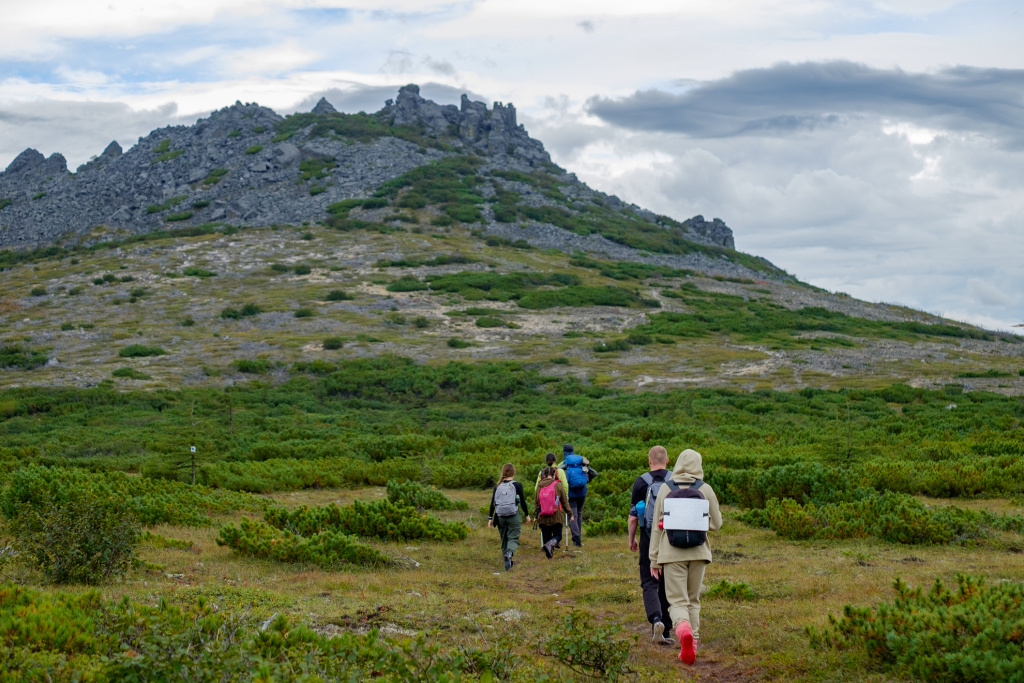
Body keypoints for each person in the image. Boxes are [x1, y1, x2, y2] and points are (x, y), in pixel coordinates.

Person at [648, 448, 722, 666]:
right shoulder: (705, 488)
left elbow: (657, 527)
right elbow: (717, 524)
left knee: (677, 601)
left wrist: (654, 559)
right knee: (693, 600)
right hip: (699, 553)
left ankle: (683, 631)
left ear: (678, 464)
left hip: (671, 553)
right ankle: (694, 643)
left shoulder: (666, 488)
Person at [628, 445, 674, 645]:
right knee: (667, 582)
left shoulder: (641, 482)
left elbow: (633, 517)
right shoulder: (674, 480)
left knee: (649, 581)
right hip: (671, 538)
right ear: (667, 461)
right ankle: (667, 629)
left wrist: (632, 539)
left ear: (649, 460)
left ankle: (656, 619)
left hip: (648, 537)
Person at [488, 463, 531, 570]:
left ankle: (507, 564)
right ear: (513, 473)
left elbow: (493, 502)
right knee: (513, 538)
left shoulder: (498, 486)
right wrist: (527, 515)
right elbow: (522, 502)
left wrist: (490, 518)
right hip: (513, 515)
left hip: (500, 516)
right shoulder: (517, 485)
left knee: (504, 539)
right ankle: (509, 553)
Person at [559, 444, 596, 547]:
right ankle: (578, 537)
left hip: (571, 493)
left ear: (564, 452)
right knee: (579, 514)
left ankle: (576, 538)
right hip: (582, 492)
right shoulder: (581, 462)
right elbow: (590, 475)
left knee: (572, 515)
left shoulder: (564, 464)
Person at [534, 466, 572, 557]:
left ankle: (549, 555)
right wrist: (570, 514)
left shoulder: (539, 486)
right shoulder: (558, 485)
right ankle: (551, 545)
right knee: (558, 536)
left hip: (543, 516)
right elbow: (564, 502)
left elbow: (536, 501)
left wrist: (535, 515)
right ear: (554, 475)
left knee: (546, 539)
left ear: (544, 475)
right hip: (556, 515)